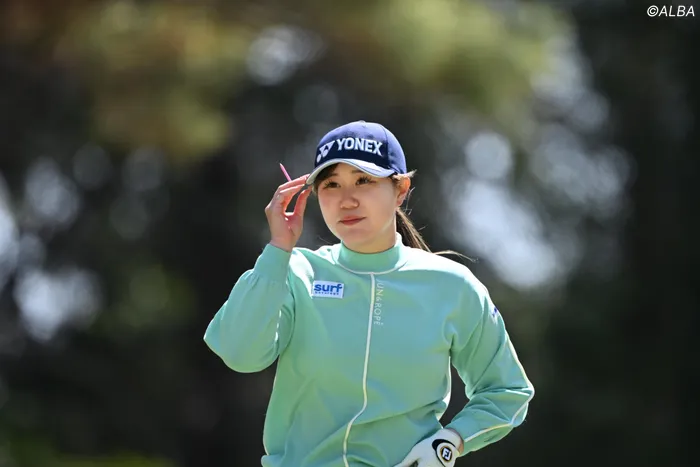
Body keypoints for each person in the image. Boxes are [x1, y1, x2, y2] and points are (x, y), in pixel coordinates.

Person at [204, 121, 535, 467]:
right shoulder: (294, 272)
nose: (347, 200)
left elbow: (507, 391)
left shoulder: (452, 285)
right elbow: (240, 354)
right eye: (331, 184)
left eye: (364, 180)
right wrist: (277, 249)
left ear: (401, 189)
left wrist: (450, 441)